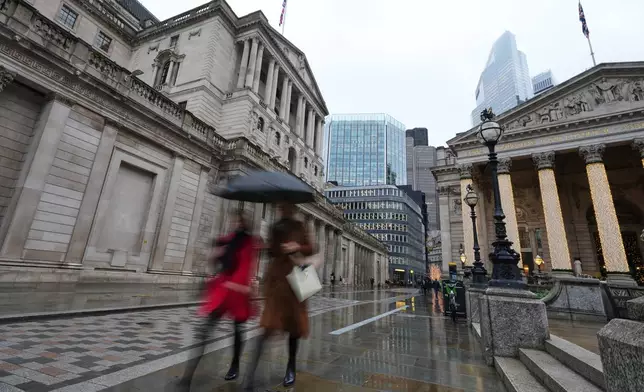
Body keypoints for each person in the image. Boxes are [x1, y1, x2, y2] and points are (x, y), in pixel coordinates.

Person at [180, 209, 258, 389]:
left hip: (237, 291)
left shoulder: (249, 242)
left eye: (239, 221)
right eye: (234, 221)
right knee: (204, 330)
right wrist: (214, 257)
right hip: (223, 289)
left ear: (245, 223)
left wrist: (238, 285)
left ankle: (235, 364)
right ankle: (188, 375)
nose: (236, 224)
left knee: (238, 328)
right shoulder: (228, 239)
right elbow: (217, 261)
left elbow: (246, 266)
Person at [243, 203, 315, 390]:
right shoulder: (275, 227)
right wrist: (268, 246)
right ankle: (250, 375)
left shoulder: (300, 226)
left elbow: (310, 248)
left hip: (297, 279)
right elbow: (272, 252)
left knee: (294, 328)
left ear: (292, 208)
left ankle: (291, 366)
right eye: (280, 206)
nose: (282, 209)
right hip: (277, 280)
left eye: (286, 206)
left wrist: (296, 245)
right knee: (267, 325)